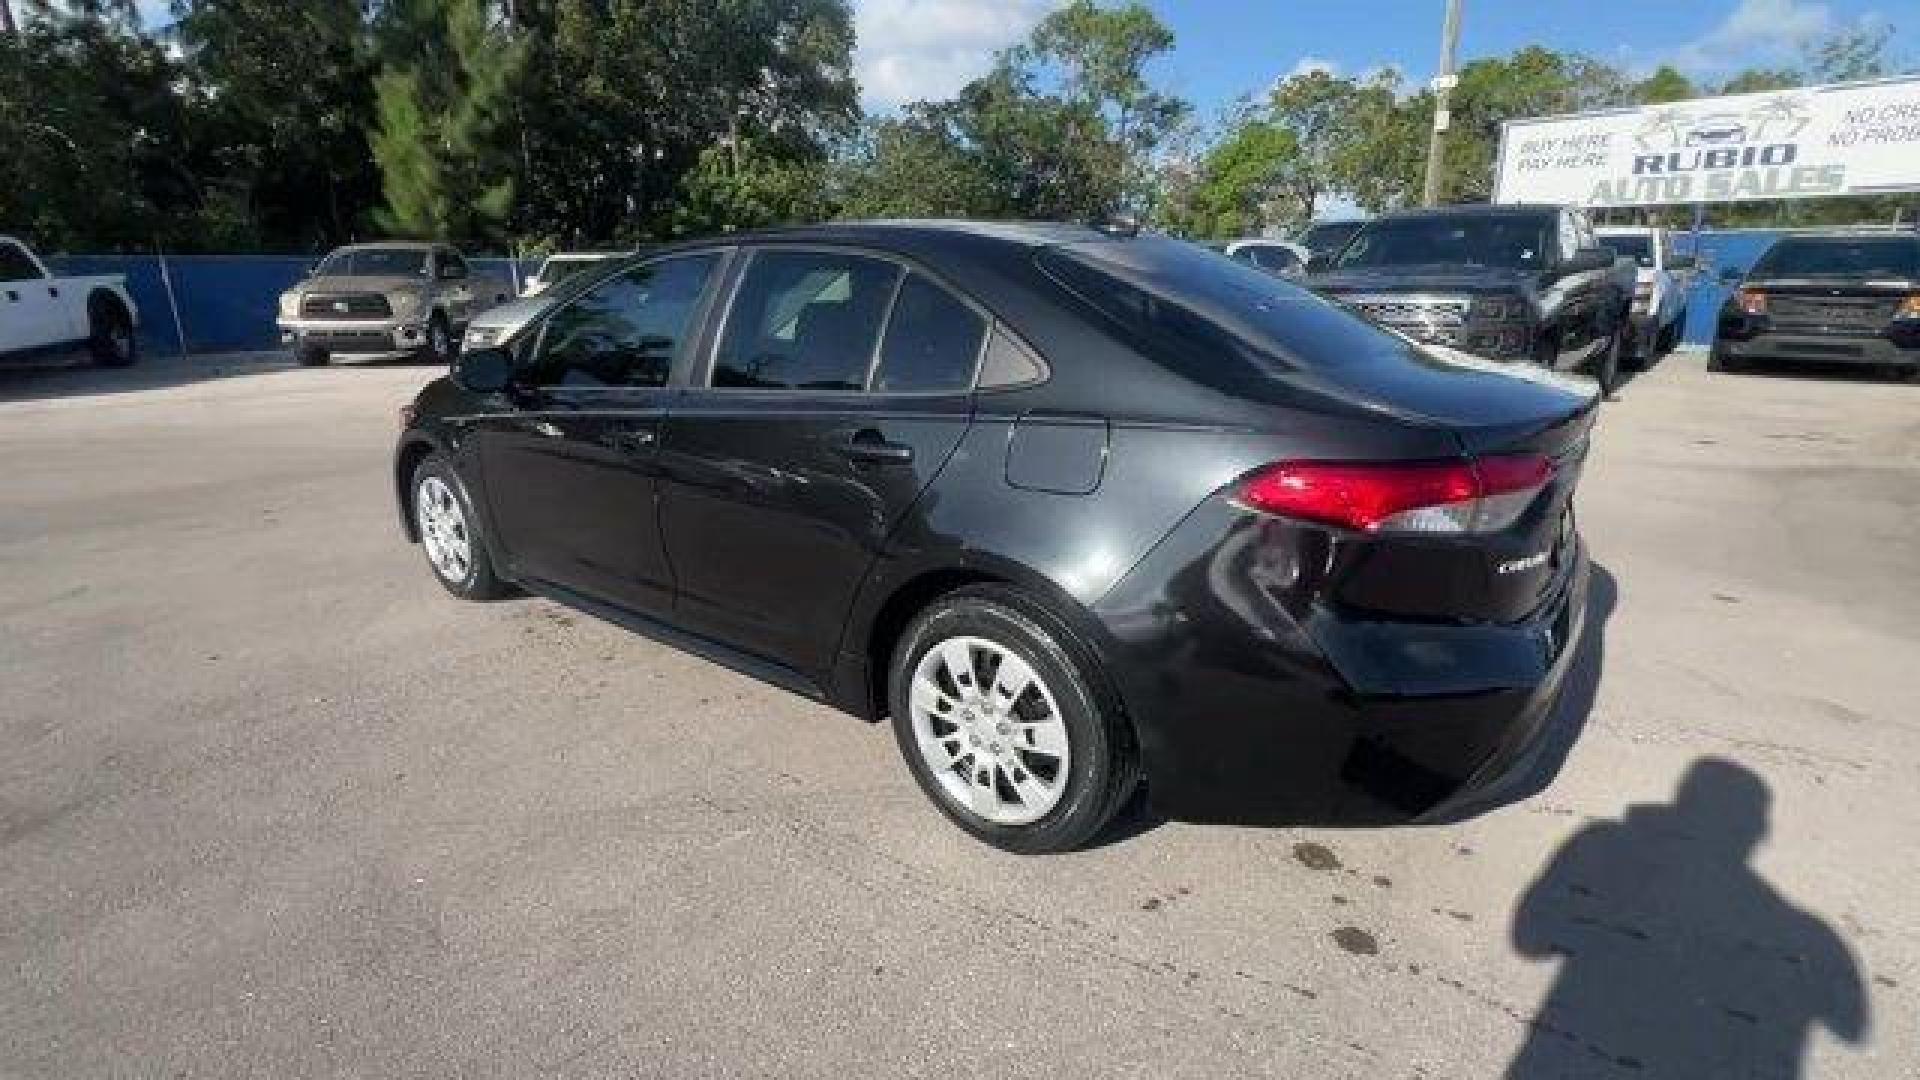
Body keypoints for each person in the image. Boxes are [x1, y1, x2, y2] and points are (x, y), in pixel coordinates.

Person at [1508, 758, 1866, 1077]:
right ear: (1755, 829)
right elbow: (1851, 1026)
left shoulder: (1601, 842)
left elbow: (1531, 939)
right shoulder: (1805, 933)